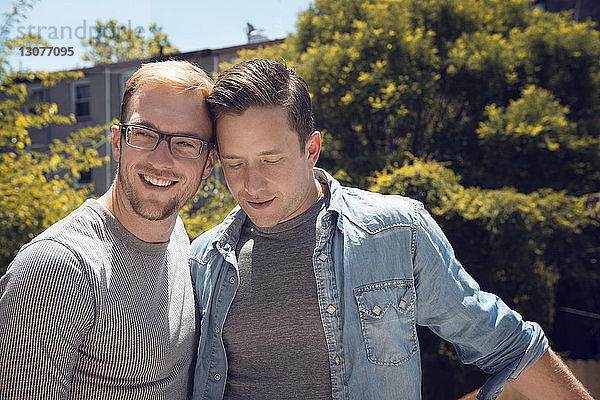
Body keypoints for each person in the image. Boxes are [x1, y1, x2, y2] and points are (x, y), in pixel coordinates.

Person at [188, 59, 594, 400]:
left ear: (311, 149)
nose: (250, 184)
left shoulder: (397, 233)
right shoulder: (202, 262)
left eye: (270, 160)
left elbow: (508, 345)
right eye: (234, 163)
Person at [0, 60, 216, 399]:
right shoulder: (57, 268)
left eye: (186, 143)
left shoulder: (176, 235)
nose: (160, 161)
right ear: (118, 142)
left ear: (208, 163)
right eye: (144, 134)